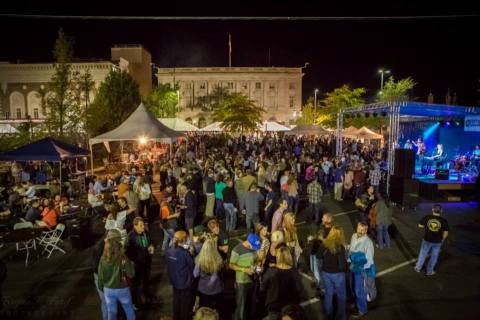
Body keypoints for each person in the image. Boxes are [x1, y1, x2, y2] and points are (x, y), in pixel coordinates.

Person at [97, 236, 136, 320]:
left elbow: (100, 277)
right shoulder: (123, 258)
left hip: (108, 290)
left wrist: (101, 288)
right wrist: (132, 265)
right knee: (129, 309)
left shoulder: (102, 259)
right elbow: (131, 274)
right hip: (123, 289)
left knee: (111, 312)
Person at [260, 247, 304, 319]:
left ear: (278, 257)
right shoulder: (294, 271)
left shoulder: (271, 271)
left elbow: (262, 288)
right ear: (289, 256)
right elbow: (299, 290)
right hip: (289, 307)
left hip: (274, 306)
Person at [318, 226, 348, 320]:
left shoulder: (325, 244)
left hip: (326, 273)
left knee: (328, 294)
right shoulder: (340, 247)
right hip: (338, 274)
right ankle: (341, 317)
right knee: (341, 296)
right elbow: (342, 264)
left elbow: (318, 256)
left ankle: (329, 315)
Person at [229, 233, 261, 320]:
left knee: (251, 304)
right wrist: (244, 270)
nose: (254, 249)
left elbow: (257, 260)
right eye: (253, 246)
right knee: (241, 305)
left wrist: (257, 265)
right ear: (248, 242)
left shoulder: (253, 248)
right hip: (241, 282)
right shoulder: (237, 250)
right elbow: (231, 265)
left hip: (252, 280)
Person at [92, 229, 122, 320]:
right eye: (116, 240)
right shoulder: (98, 248)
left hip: (110, 276)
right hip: (102, 278)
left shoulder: (112, 244)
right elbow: (96, 269)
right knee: (106, 302)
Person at [125, 217, 155, 308]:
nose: (143, 227)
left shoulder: (145, 233)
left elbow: (151, 242)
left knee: (146, 280)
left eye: (143, 225)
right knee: (135, 284)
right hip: (137, 264)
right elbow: (127, 252)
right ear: (135, 226)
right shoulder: (131, 237)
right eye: (141, 225)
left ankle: (146, 295)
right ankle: (135, 302)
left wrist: (152, 246)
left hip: (146, 262)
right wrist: (135, 260)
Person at [165, 230, 195, 320]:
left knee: (176, 300)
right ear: (184, 240)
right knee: (184, 304)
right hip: (184, 282)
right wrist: (191, 254)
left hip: (174, 281)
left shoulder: (168, 251)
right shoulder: (185, 253)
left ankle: (176, 317)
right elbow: (192, 267)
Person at [349, 222, 375, 318]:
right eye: (358, 228)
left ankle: (362, 309)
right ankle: (357, 303)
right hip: (351, 267)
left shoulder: (368, 242)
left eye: (362, 229)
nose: (359, 231)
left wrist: (360, 267)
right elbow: (351, 250)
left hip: (360, 270)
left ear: (366, 230)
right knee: (352, 287)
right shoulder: (354, 236)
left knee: (359, 290)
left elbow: (369, 260)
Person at [414, 204, 449, 276]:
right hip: (437, 242)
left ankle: (418, 268)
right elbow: (446, 232)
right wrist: (442, 240)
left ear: (432, 209)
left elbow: (420, 225)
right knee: (434, 257)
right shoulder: (444, 221)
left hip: (427, 240)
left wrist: (427, 226)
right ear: (441, 211)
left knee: (423, 254)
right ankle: (429, 271)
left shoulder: (427, 217)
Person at [193, 237, 224, 311]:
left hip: (203, 289)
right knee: (216, 310)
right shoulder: (219, 259)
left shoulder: (199, 260)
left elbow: (195, 274)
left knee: (205, 310)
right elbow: (219, 275)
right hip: (216, 289)